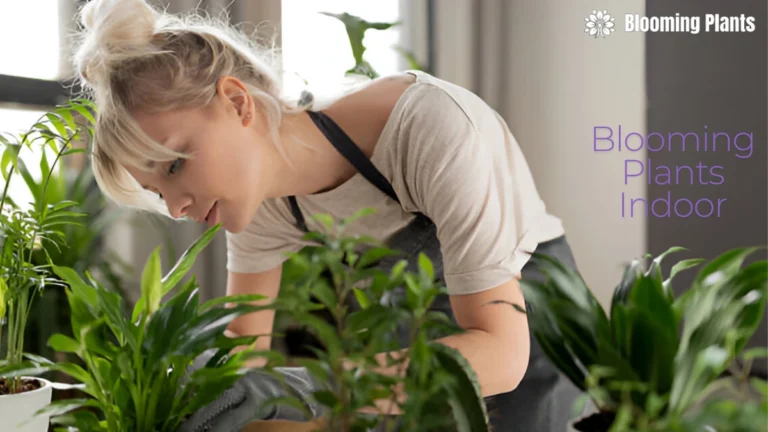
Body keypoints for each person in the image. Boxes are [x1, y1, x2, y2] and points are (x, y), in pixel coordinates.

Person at [73, 0, 582, 430]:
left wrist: (304, 385)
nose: (178, 207)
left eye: (176, 164)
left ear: (235, 102)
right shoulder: (259, 206)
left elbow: (501, 353)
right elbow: (243, 358)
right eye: (158, 192)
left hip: (525, 329)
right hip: (419, 333)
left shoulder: (430, 130)